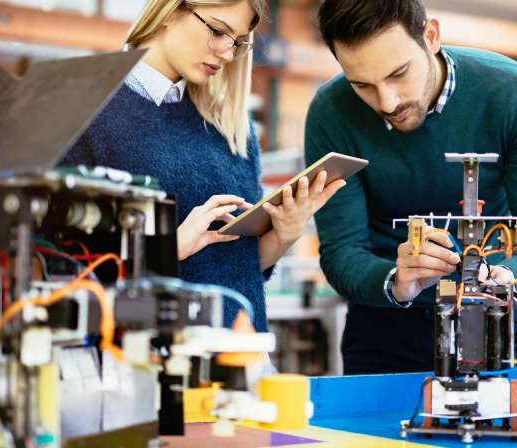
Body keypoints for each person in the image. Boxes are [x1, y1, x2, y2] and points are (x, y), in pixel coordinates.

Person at [305, 0, 517, 374]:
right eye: (362, 84)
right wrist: (397, 282)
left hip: (492, 320)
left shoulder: (513, 94)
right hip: (383, 329)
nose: (387, 102)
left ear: (431, 36)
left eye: (398, 74)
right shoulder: (332, 112)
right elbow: (341, 251)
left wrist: (508, 275)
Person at [60, 0, 344, 332]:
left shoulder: (232, 127)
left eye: (237, 41)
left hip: (244, 351)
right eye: (218, 31)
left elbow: (242, 265)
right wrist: (166, 249)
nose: (226, 53)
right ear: (170, 11)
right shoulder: (87, 109)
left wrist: (283, 235)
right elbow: (65, 259)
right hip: (150, 359)